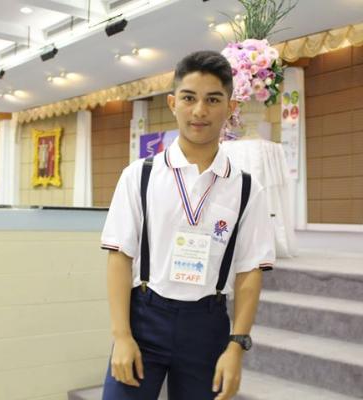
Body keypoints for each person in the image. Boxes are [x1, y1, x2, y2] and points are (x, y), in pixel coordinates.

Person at [100, 50, 275, 400]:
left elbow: (249, 271)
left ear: (231, 107)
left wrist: (236, 346)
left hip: (207, 326)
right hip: (145, 318)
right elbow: (120, 257)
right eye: (189, 98)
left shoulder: (246, 188)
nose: (199, 111)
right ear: (172, 103)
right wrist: (121, 336)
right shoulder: (139, 176)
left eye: (213, 100)